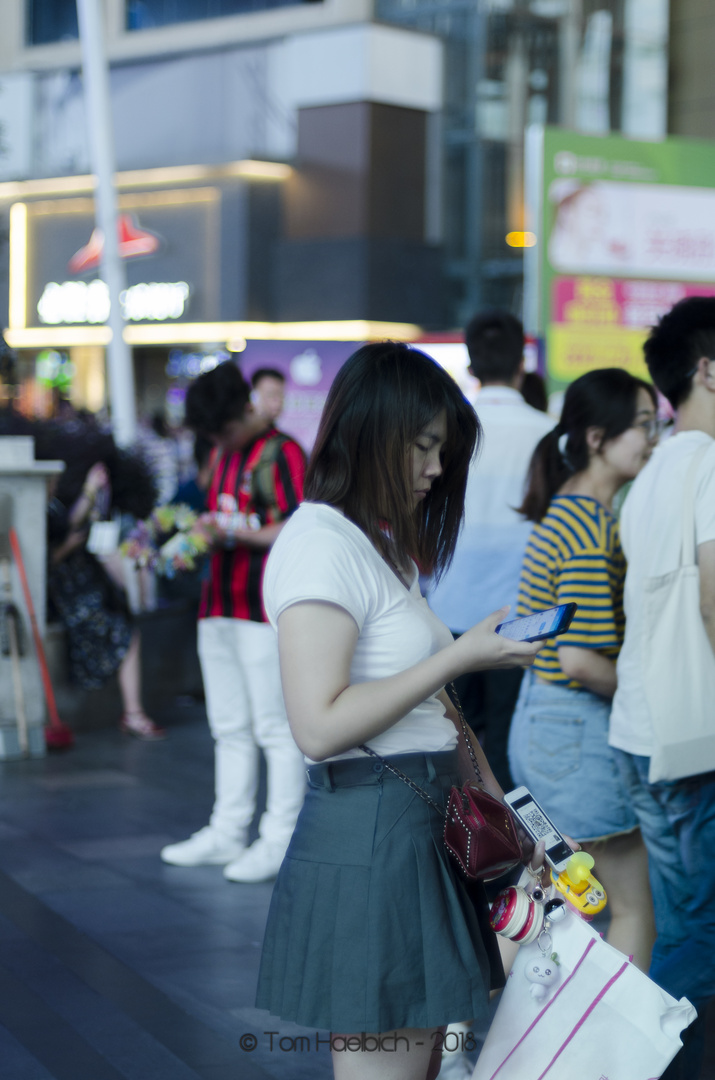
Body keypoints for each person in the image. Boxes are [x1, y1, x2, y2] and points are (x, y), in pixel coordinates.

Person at [256, 342, 545, 1080]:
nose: (435, 469)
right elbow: (317, 726)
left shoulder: (378, 549)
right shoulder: (320, 544)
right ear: (370, 432)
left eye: (440, 451)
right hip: (376, 833)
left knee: (424, 1059)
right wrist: (457, 655)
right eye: (422, 447)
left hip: (420, 823)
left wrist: (512, 822)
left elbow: (440, 709)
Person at [508, 367, 658, 971]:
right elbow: (580, 659)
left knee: (545, 903)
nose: (652, 439)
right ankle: (618, 1062)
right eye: (643, 426)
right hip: (575, 730)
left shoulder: (569, 510)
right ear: (598, 437)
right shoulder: (589, 524)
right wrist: (654, 696)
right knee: (632, 906)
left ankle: (459, 1040)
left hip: (546, 723)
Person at [608, 297, 715, 1079]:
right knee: (700, 935)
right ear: (708, 370)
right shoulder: (710, 461)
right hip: (695, 735)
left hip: (642, 729)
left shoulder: (651, 473)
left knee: (685, 922)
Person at [160, 362, 307, 884]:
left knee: (274, 729)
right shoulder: (223, 451)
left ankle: (279, 838)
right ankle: (227, 830)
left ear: (246, 408)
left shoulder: (283, 452)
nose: (220, 440)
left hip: (261, 610)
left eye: (223, 430)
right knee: (228, 727)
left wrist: (234, 533)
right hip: (217, 603)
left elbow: (299, 523)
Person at [427, 312, 554, 790]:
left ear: (472, 364)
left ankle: (459, 849)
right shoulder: (547, 430)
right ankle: (511, 851)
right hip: (521, 615)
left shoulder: (452, 428)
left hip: (449, 611)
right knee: (504, 742)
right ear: (522, 362)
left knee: (450, 740)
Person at [45, 432, 165, 740]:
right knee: (125, 633)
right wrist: (71, 541)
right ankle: (134, 712)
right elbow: (52, 552)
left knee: (125, 625)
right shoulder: (50, 510)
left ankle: (133, 711)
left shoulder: (58, 504)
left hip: (89, 590)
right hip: (72, 596)